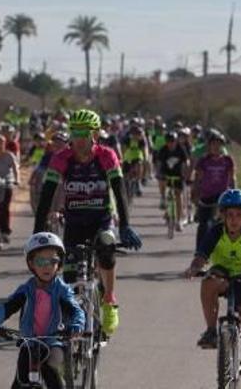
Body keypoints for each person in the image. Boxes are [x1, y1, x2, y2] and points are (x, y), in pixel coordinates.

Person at [33, 109, 141, 337]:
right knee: (70, 277)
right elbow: (46, 194)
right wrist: (38, 230)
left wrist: (125, 225)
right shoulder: (61, 158)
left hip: (101, 219)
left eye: (84, 133)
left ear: (94, 134)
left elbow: (119, 190)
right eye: (75, 132)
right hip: (74, 222)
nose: (79, 138)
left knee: (106, 249)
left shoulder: (106, 155)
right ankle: (73, 333)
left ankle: (109, 300)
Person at [184, 189, 241, 389]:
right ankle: (211, 331)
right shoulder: (215, 232)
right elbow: (202, 255)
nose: (234, 220)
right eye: (230, 215)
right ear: (223, 216)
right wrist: (195, 267)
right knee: (208, 281)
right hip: (224, 276)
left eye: (239, 215)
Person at [0, 232, 85, 389]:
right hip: (29, 342)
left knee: (51, 370)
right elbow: (7, 307)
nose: (47, 266)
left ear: (59, 263)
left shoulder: (62, 290)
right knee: (20, 381)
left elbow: (75, 310)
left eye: (52, 261)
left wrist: (77, 325)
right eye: (40, 261)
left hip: (54, 341)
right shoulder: (26, 290)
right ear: (31, 264)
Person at [191, 130, 236, 251]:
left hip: (222, 197)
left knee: (226, 225)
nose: (216, 147)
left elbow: (232, 178)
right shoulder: (203, 161)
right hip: (206, 197)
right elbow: (198, 179)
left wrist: (235, 194)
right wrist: (195, 193)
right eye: (214, 144)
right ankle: (200, 253)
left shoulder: (227, 160)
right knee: (203, 225)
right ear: (209, 146)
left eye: (219, 144)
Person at [157, 132, 190, 229]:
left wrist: (186, 173)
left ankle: (179, 220)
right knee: (162, 181)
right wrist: (158, 173)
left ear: (176, 141)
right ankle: (163, 197)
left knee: (178, 195)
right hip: (166, 173)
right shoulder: (163, 150)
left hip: (178, 174)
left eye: (173, 141)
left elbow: (186, 161)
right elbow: (159, 163)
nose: (171, 143)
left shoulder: (181, 149)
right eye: (168, 141)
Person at [121, 124, 147, 196]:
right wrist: (123, 159)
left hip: (137, 156)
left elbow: (144, 151)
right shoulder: (127, 139)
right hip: (128, 157)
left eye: (139, 134)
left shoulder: (142, 140)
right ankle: (127, 185)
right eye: (136, 134)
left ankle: (138, 182)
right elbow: (123, 150)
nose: (137, 136)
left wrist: (145, 159)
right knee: (126, 174)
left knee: (139, 164)